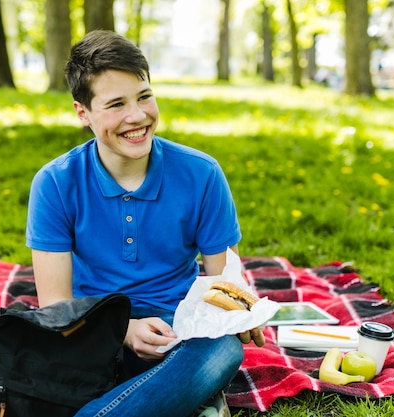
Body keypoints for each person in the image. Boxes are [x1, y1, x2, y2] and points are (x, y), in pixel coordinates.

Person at [25, 30, 264, 417]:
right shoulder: (55, 183)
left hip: (175, 327)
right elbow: (55, 306)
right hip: (90, 326)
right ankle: (177, 399)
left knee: (223, 350)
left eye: (144, 96)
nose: (137, 116)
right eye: (116, 104)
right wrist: (123, 332)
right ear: (82, 113)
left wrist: (240, 314)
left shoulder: (201, 174)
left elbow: (225, 280)